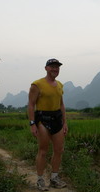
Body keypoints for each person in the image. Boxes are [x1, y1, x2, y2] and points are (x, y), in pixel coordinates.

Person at [28, 58, 68, 191]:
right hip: (43, 119)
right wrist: (32, 124)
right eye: (52, 66)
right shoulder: (37, 84)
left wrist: (64, 122)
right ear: (46, 68)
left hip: (57, 118)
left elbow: (61, 104)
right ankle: (40, 180)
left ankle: (54, 178)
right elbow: (31, 105)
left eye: (57, 67)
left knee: (59, 150)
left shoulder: (60, 85)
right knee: (43, 151)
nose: (55, 69)